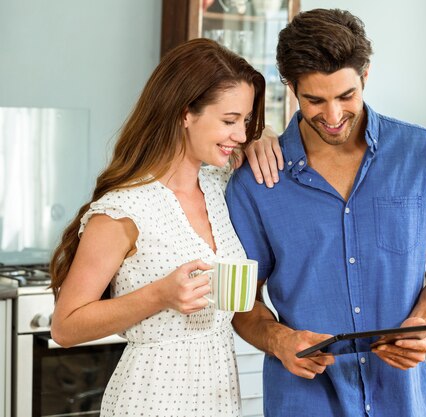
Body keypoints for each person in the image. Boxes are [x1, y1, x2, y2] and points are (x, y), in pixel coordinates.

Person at [225, 8, 426, 417]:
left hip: (402, 401)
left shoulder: (420, 153)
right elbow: (240, 302)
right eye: (315, 100)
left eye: (346, 96)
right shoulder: (257, 179)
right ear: (292, 88)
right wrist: (278, 340)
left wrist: (421, 322)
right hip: (303, 401)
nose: (333, 117)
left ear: (365, 76)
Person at [49, 38, 282, 416]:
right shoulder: (124, 210)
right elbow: (66, 326)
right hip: (152, 398)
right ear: (184, 112)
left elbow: (258, 141)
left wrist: (264, 136)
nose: (240, 134)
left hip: (218, 394)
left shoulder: (220, 187)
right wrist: (159, 295)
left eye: (244, 120)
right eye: (229, 121)